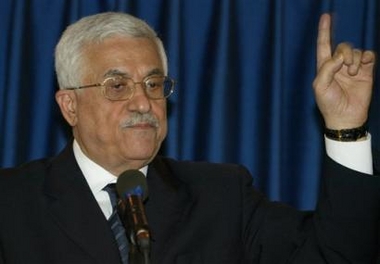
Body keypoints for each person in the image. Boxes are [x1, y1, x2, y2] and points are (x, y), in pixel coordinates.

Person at [0, 11, 379, 264]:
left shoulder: (223, 196)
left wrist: (346, 128)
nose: (144, 103)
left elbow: (337, 256)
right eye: (117, 86)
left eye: (153, 83)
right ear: (70, 106)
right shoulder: (12, 203)